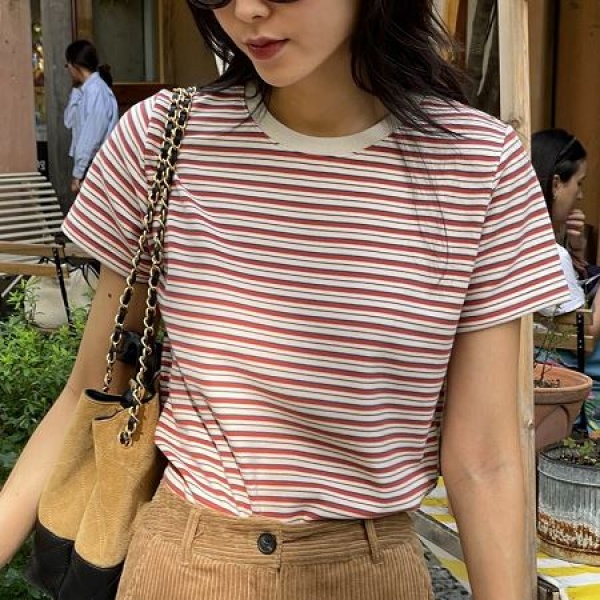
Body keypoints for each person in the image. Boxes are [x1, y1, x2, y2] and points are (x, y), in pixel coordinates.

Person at [0, 2, 570, 599]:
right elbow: (88, 393)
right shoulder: (163, 138)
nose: (247, 9)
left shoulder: (478, 164)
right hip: (182, 566)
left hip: (371, 576)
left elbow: (485, 460)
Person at [63, 40, 119, 197]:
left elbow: (91, 138)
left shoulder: (96, 92)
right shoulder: (85, 91)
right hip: (90, 166)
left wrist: (78, 174)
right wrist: (76, 91)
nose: (68, 70)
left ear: (75, 65)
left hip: (96, 166)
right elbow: (68, 121)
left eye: (67, 65)